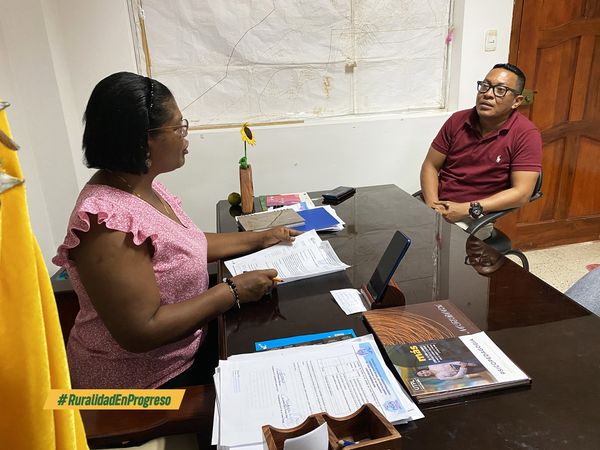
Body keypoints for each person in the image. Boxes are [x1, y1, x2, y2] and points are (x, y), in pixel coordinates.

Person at [52, 72, 301, 389]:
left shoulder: (141, 187)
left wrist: (263, 237)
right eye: (178, 128)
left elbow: (185, 244)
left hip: (186, 348)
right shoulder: (106, 222)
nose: (186, 138)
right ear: (144, 140)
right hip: (140, 387)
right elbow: (142, 330)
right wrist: (232, 291)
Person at [419, 63, 542, 239]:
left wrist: (466, 208)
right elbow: (430, 165)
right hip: (438, 204)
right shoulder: (457, 120)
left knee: (429, 243)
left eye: (500, 90)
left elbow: (522, 193)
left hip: (475, 216)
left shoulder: (526, 134)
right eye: (485, 86)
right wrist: (433, 207)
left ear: (517, 101)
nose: (488, 94)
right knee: (391, 225)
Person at [415, 361, 482, 381]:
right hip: (467, 370)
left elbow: (448, 361)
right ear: (426, 377)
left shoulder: (431, 365)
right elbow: (457, 377)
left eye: (422, 372)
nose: (424, 373)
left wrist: (465, 363)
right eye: (423, 375)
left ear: (423, 369)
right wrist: (463, 367)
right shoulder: (440, 377)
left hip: (462, 361)